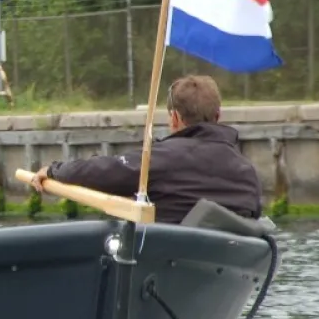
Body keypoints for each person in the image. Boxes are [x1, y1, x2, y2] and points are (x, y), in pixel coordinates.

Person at [28, 74, 263, 224]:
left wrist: (54, 171)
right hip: (225, 262)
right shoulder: (248, 173)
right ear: (218, 116)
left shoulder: (162, 159)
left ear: (174, 118)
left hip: (169, 260)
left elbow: (104, 170)